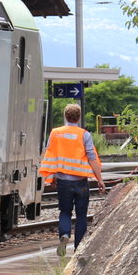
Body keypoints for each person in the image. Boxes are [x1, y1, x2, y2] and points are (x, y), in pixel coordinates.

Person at [38, 104, 105, 256]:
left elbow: (50, 155)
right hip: (81, 182)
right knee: (81, 215)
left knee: (65, 212)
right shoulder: (84, 135)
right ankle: (78, 248)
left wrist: (52, 177)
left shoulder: (55, 133)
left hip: (63, 181)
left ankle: (64, 234)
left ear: (65, 116)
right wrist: (99, 179)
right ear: (79, 117)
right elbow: (92, 157)